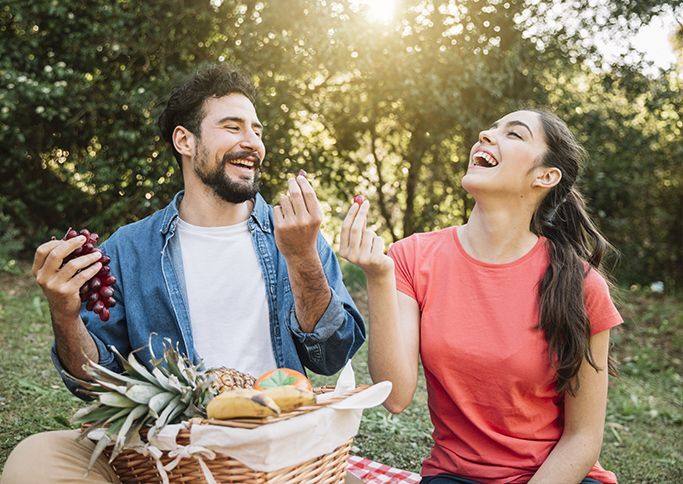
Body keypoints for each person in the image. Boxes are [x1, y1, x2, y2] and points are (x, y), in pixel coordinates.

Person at [1, 64, 365, 483]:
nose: (252, 143)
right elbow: (94, 384)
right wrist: (65, 314)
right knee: (36, 457)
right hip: (165, 452)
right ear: (184, 140)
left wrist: (303, 260)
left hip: (276, 452)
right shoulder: (128, 249)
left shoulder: (298, 235)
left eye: (257, 131)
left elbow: (332, 355)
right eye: (232, 127)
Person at [339, 109, 622, 483]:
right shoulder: (411, 257)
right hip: (456, 476)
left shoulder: (581, 285)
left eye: (514, 134)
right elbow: (395, 396)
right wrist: (378, 277)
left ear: (545, 176)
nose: (486, 135)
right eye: (490, 128)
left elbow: (583, 438)